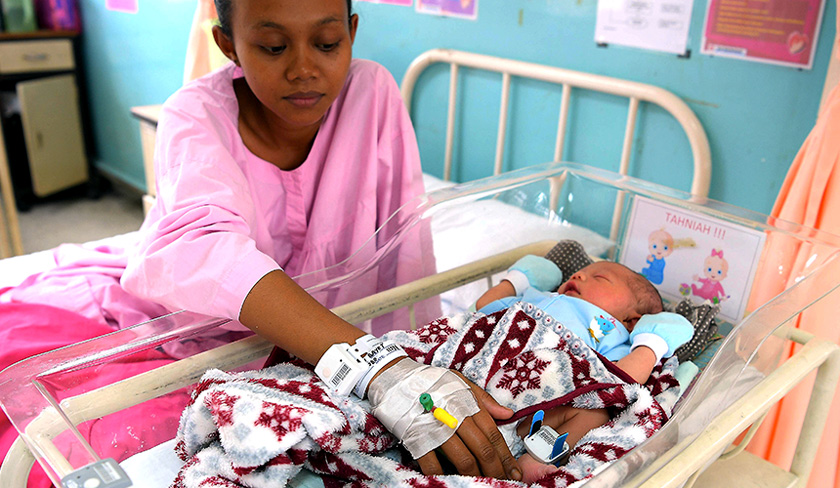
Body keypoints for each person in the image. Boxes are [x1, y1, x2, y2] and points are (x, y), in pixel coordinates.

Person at [0, 0, 522, 482]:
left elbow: (402, 251)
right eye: (273, 47)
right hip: (200, 335)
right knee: (68, 437)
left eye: (326, 43)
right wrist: (374, 368)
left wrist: (413, 359)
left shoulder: (373, 94)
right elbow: (205, 248)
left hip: (331, 341)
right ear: (228, 44)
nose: (303, 69)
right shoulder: (194, 115)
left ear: (352, 32)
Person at [475, 256, 692, 482]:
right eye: (576, 273)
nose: (578, 275)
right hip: (482, 380)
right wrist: (517, 280)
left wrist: (651, 341)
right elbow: (484, 309)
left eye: (600, 277)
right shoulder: (537, 297)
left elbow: (623, 378)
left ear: (631, 321)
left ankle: (537, 457)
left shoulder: (615, 335)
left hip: (534, 413)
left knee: (593, 414)